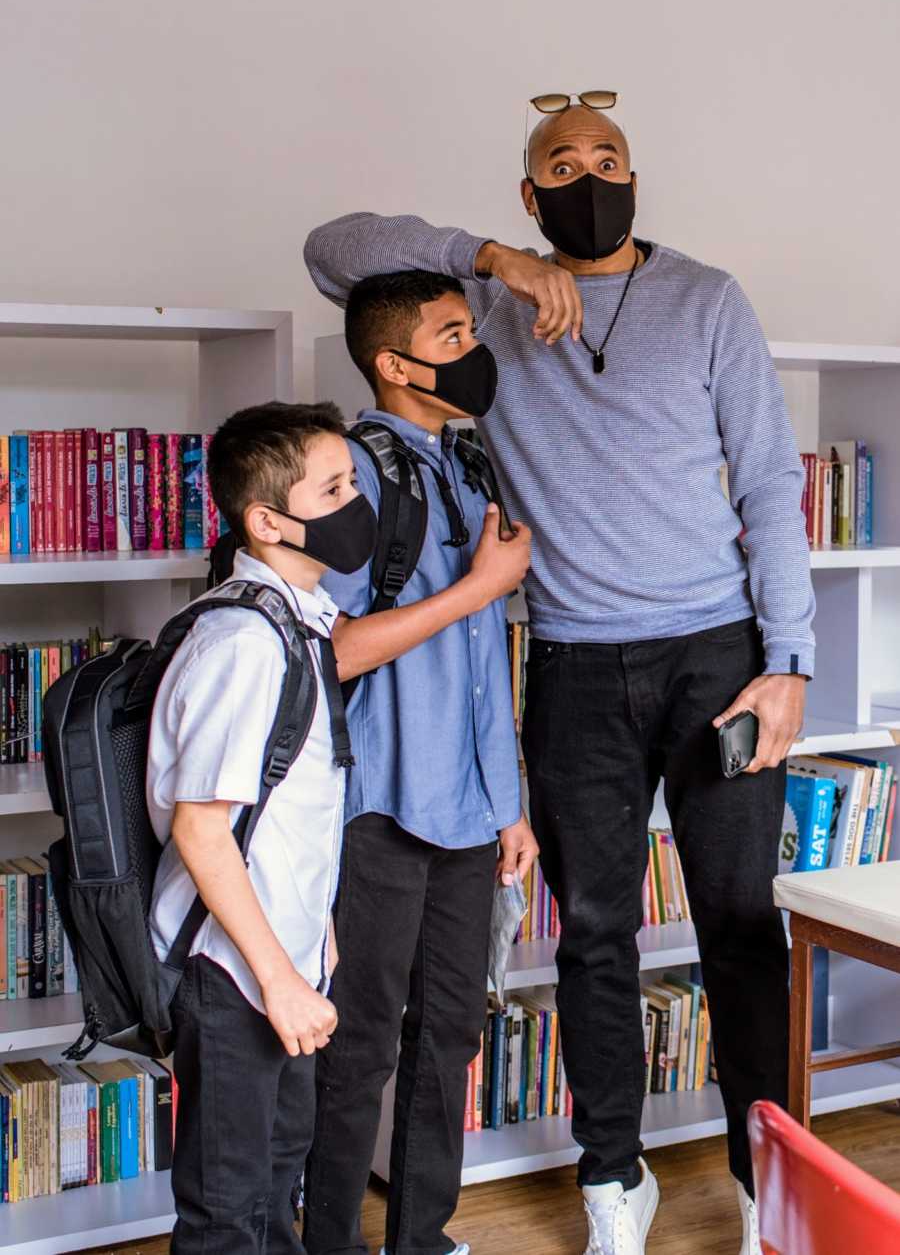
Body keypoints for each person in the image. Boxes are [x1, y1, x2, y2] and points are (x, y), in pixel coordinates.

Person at [303, 99, 815, 1255]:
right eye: (561, 167)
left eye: (609, 161)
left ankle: (758, 1179)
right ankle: (612, 1185)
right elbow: (331, 250)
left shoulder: (706, 299)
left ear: (639, 177)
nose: (589, 179)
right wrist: (491, 260)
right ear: (531, 198)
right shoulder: (478, 311)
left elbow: (770, 478)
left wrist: (788, 663)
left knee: (740, 927)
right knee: (593, 935)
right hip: (576, 662)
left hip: (717, 656)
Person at [302, 269, 538, 1255]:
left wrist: (510, 802)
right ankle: (327, 1244)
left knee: (450, 1035)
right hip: (379, 810)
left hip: (470, 807)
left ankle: (422, 1237)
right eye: (453, 333)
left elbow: (488, 664)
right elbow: (337, 647)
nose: (477, 348)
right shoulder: (349, 471)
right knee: (355, 1045)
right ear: (395, 365)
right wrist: (481, 585)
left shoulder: (471, 462)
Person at [147, 401, 376, 1255]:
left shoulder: (299, 622)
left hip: (284, 958)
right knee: (228, 1210)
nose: (357, 504)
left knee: (279, 1176)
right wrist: (280, 979)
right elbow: (203, 831)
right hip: (236, 971)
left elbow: (284, 808)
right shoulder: (244, 641)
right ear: (268, 520)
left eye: (354, 482)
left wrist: (312, 941)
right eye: (334, 488)